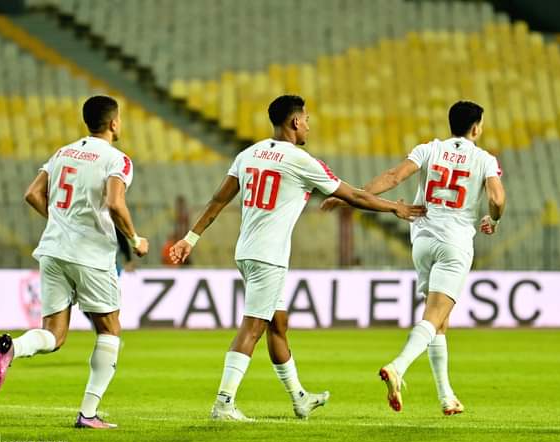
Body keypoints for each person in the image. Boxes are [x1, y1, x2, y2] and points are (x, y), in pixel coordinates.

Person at [169, 94, 425, 421]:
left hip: (247, 251)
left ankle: (299, 398)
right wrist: (396, 207)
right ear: (294, 122)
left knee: (278, 324)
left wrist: (190, 237)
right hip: (269, 256)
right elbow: (356, 196)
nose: (308, 126)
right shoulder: (301, 161)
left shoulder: (247, 155)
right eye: (306, 120)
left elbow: (218, 200)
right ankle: (224, 402)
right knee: (253, 327)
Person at [322, 100, 505, 416]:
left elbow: (393, 177)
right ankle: (398, 366)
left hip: (422, 239)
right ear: (477, 127)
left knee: (438, 321)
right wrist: (493, 218)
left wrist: (349, 196)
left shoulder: (429, 149)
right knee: (434, 316)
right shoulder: (485, 159)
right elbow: (496, 198)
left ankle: (446, 395)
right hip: (455, 243)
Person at [0, 95, 149, 429]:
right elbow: (115, 204)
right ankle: (88, 414)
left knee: (54, 335)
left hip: (53, 250)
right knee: (109, 330)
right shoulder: (117, 159)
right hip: (91, 256)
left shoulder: (62, 152)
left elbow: (32, 193)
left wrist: (60, 220)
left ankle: (12, 348)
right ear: (114, 123)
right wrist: (135, 239)